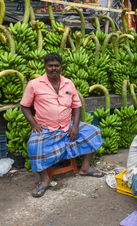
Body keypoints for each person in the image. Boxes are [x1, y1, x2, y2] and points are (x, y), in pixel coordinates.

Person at [20, 53, 104, 198]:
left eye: (56, 65)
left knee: (94, 132)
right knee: (34, 145)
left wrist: (75, 126)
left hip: (67, 125)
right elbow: (24, 106)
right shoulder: (34, 84)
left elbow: (76, 106)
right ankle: (45, 180)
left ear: (61, 67)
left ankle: (85, 168)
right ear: (45, 67)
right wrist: (34, 124)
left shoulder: (68, 83)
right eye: (50, 65)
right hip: (46, 127)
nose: (54, 68)